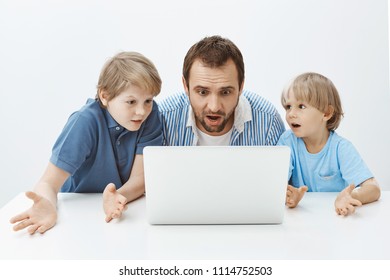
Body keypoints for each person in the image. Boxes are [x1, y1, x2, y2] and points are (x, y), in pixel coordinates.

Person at [10, 51, 163, 234]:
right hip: (78, 210)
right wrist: (48, 204)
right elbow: (48, 183)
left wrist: (118, 196)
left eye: (148, 100)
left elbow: (140, 178)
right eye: (131, 102)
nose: (141, 111)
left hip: (120, 211)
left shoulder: (151, 115)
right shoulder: (84, 121)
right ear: (105, 96)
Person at [277, 72, 381, 216]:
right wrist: (287, 195)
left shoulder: (341, 148)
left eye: (301, 106)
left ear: (326, 113)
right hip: (301, 219)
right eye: (288, 106)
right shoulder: (287, 142)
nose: (291, 114)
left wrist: (351, 197)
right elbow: (274, 184)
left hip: (335, 218)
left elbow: (373, 188)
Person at [158, 35, 285, 146]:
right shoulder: (162, 118)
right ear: (185, 86)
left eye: (225, 92)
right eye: (203, 92)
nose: (214, 107)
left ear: (241, 86)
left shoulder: (268, 122)